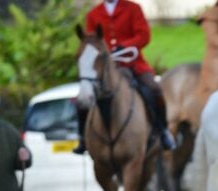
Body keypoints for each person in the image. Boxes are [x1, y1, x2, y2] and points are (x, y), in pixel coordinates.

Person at [74, 0, 175, 154]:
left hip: (133, 63)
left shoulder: (133, 8)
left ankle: (163, 131)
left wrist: (125, 46)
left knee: (154, 89)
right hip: (104, 68)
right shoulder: (93, 14)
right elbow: (91, 42)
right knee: (83, 98)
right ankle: (83, 138)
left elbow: (144, 35)